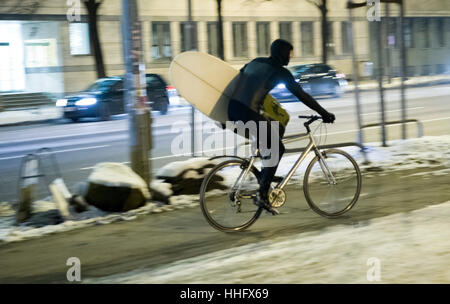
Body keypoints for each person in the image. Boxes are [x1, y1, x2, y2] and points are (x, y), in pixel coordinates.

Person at [228, 39, 336, 215]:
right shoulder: (280, 72)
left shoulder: (256, 62)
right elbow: (303, 95)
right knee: (278, 147)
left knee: (276, 129)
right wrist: (324, 113)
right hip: (248, 112)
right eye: (289, 53)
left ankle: (266, 175)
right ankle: (262, 195)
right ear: (282, 53)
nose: (291, 57)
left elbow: (238, 80)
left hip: (233, 109)